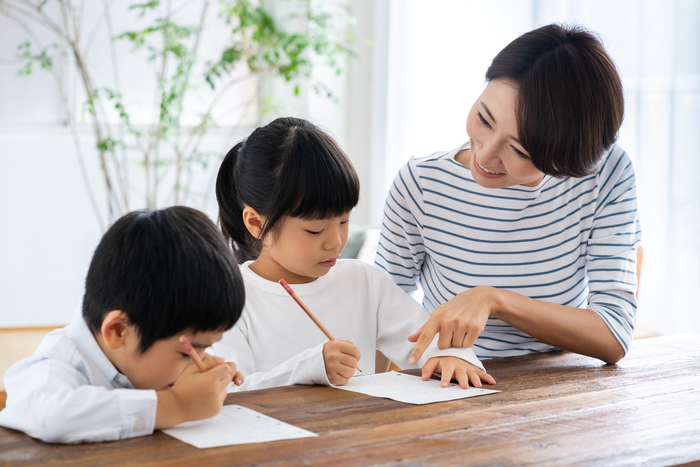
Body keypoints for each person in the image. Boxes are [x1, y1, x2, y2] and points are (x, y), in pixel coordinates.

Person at [375, 24, 641, 366]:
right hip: (448, 383)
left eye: (518, 150)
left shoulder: (606, 173)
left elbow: (613, 335)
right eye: (484, 120)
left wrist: (495, 300)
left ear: (566, 162)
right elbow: (380, 316)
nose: (484, 157)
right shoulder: (421, 183)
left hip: (560, 392)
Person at [210, 117, 494, 391]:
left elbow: (427, 341)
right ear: (257, 224)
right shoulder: (228, 298)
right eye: (315, 230)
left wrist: (453, 357)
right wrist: (310, 368)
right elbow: (230, 392)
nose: (335, 241)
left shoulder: (364, 282)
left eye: (344, 221)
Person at [0, 207, 246, 443]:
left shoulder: (148, 342)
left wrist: (210, 377)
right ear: (118, 331)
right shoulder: (51, 369)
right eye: (188, 352)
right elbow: (52, 417)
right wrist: (178, 403)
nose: (200, 360)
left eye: (207, 349)